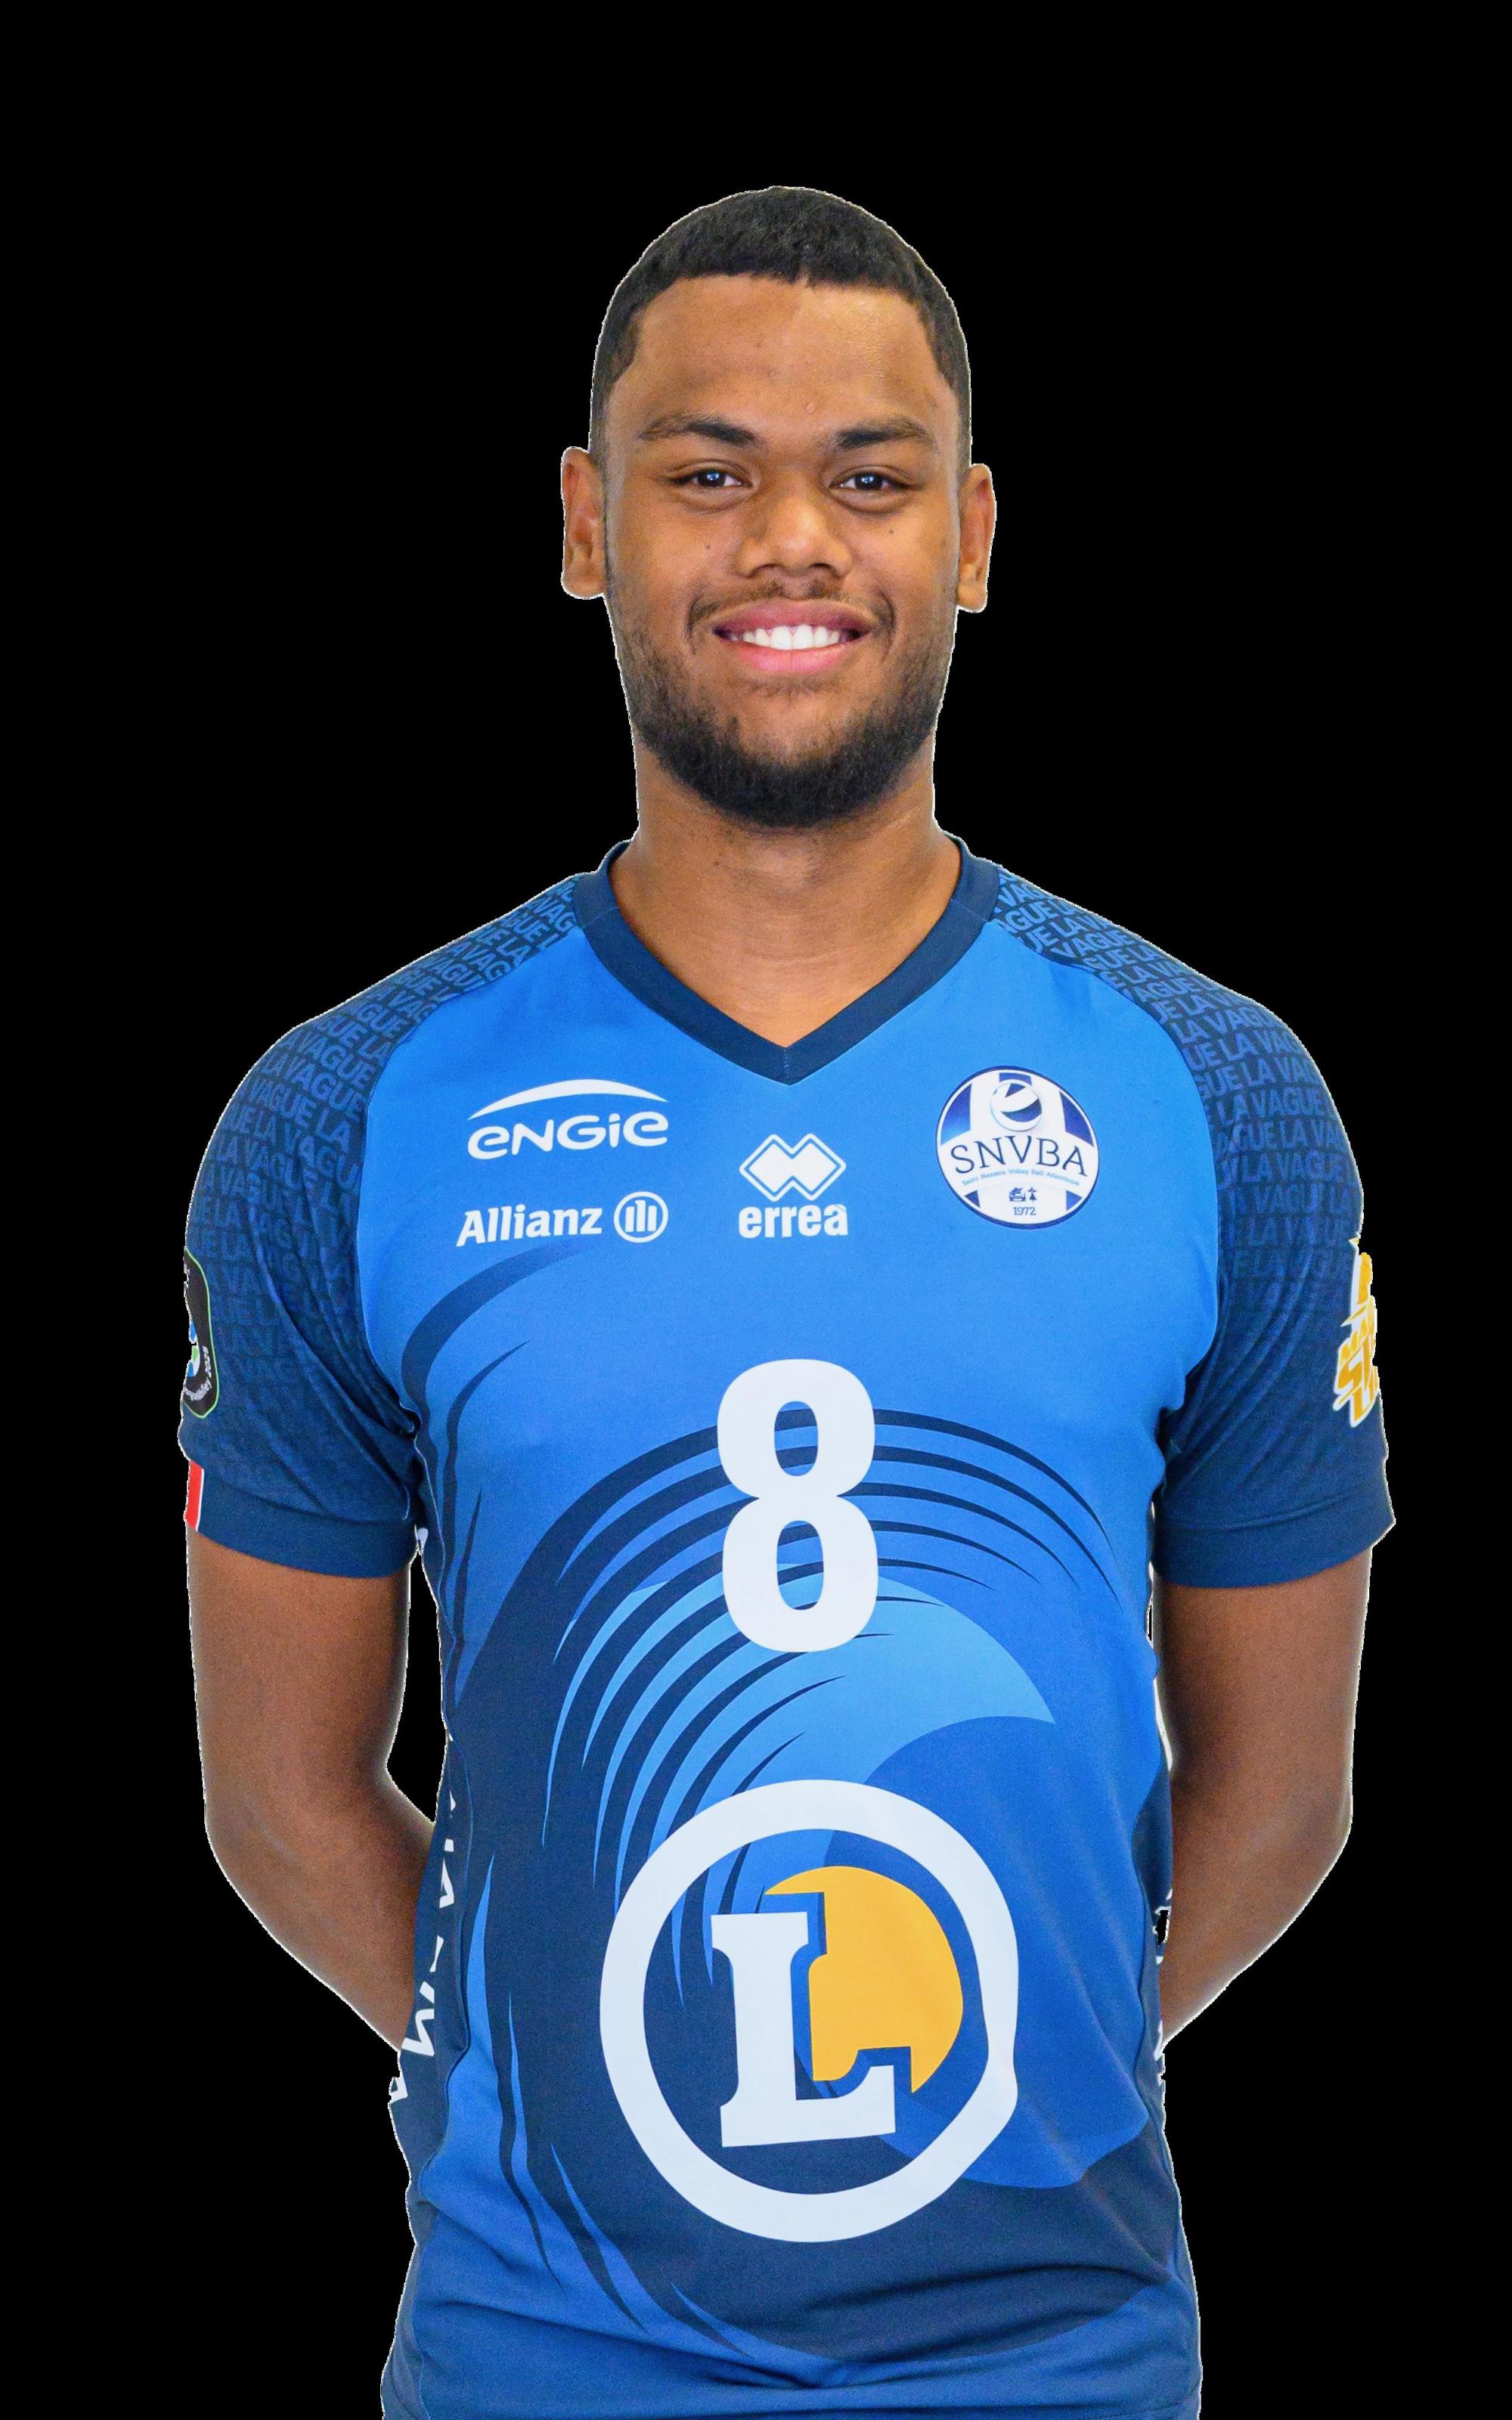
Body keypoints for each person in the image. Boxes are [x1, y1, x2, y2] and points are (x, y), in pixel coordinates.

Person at [182, 186, 1390, 2420]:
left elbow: (1285, 1791)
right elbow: (277, 1795)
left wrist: (1034, 2059)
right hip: (538, 2355)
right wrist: (533, 2062)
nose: (793, 543)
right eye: (710, 471)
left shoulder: (1212, 1094)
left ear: (976, 536)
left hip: (1064, 2356)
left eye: (872, 476)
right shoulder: (350, 1113)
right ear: (586, 525)